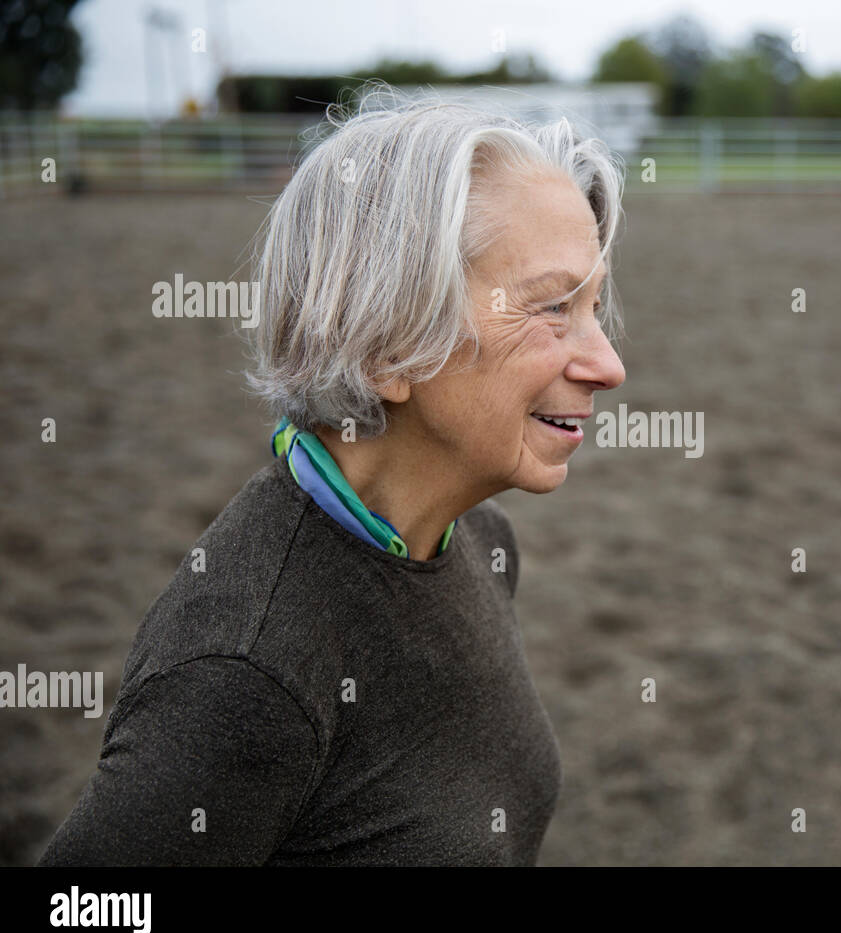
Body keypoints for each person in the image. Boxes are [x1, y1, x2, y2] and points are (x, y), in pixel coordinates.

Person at [37, 86, 628, 865]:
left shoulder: (479, 540)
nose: (608, 365)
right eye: (552, 308)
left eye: (593, 306)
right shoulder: (246, 670)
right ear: (387, 346)